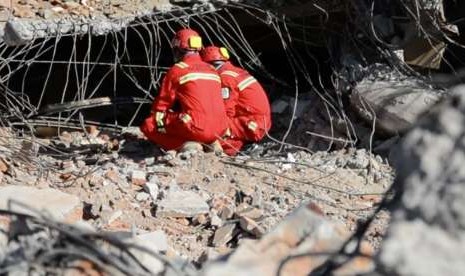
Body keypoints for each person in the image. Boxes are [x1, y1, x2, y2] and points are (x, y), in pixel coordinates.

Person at [140, 29, 228, 153]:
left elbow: (162, 104)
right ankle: (211, 143)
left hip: (197, 126)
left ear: (177, 49)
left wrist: (158, 120)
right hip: (220, 128)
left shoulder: (178, 70)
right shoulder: (211, 69)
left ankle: (186, 145)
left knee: (149, 125)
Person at [200, 46, 272, 155]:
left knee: (207, 131)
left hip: (251, 124)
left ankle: (232, 147)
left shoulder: (225, 78)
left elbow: (226, 111)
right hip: (258, 121)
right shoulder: (234, 71)